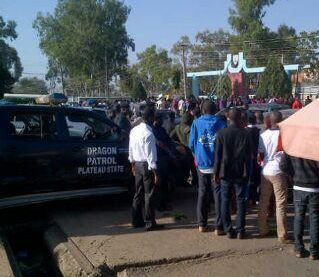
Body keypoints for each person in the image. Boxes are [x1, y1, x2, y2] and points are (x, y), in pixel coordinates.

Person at [214, 108, 252, 239]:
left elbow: (217, 156)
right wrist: (249, 173)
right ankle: (241, 230)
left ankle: (229, 229)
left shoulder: (221, 134)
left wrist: (215, 173)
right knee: (241, 200)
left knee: (225, 200)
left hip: (225, 172)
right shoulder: (245, 134)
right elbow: (249, 157)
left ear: (228, 118)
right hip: (240, 171)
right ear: (239, 118)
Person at [189, 100, 226, 233]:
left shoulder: (196, 123)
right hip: (217, 165)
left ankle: (202, 224)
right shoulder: (221, 123)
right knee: (218, 195)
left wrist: (196, 157)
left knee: (202, 193)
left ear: (203, 110)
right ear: (215, 110)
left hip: (202, 164)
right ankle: (219, 226)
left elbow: (191, 144)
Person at [129, 106, 163, 231]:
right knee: (149, 194)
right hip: (146, 166)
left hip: (137, 164)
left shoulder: (134, 131)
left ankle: (135, 220)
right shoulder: (149, 134)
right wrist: (155, 173)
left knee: (138, 193)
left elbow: (131, 150)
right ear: (150, 118)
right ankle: (150, 222)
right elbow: (151, 156)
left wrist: (132, 165)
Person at [258, 111, 290, 243]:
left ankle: (262, 229)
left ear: (270, 121)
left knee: (263, 201)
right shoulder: (284, 135)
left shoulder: (263, 135)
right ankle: (282, 234)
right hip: (278, 172)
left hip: (265, 171)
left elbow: (260, 155)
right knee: (280, 203)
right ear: (280, 121)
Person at [281, 155, 319, 260]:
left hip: (298, 185)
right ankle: (314, 251)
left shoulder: (294, 143)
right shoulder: (316, 143)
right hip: (315, 186)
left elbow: (283, 165)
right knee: (315, 218)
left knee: (298, 217)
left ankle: (299, 249)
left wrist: (293, 177)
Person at [153, 111, 175, 211]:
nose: (162, 121)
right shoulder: (152, 130)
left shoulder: (161, 129)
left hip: (164, 159)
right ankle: (159, 205)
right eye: (161, 119)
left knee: (165, 182)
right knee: (159, 184)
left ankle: (165, 203)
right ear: (156, 119)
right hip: (158, 159)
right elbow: (161, 144)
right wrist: (170, 152)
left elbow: (168, 140)